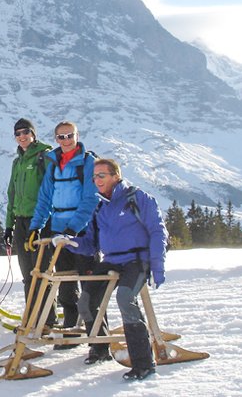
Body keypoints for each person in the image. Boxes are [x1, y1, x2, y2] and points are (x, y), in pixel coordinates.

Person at [56, 158, 168, 381]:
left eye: (102, 175)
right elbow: (91, 244)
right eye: (94, 176)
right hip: (111, 261)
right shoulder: (101, 207)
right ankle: (99, 349)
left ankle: (144, 364)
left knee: (126, 298)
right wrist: (69, 242)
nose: (97, 180)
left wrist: (158, 268)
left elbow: (157, 232)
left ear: (116, 176)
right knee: (86, 302)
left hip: (137, 259)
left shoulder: (137, 198)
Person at [28, 121, 99, 342]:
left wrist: (73, 228)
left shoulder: (88, 163)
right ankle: (70, 331)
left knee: (89, 287)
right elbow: (45, 198)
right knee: (66, 287)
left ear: (77, 136)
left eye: (70, 136)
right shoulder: (53, 163)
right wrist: (36, 227)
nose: (66, 141)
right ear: (56, 139)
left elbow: (90, 199)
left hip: (82, 234)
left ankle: (97, 336)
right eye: (61, 137)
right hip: (59, 232)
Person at [4, 118, 52, 303]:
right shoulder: (17, 162)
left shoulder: (45, 156)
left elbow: (50, 191)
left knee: (40, 271)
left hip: (39, 220)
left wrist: (41, 222)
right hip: (21, 221)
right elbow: (12, 194)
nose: (22, 136)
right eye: (18, 133)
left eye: (26, 132)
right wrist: (9, 225)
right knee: (27, 274)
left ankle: (46, 319)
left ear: (33, 134)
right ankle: (32, 315)